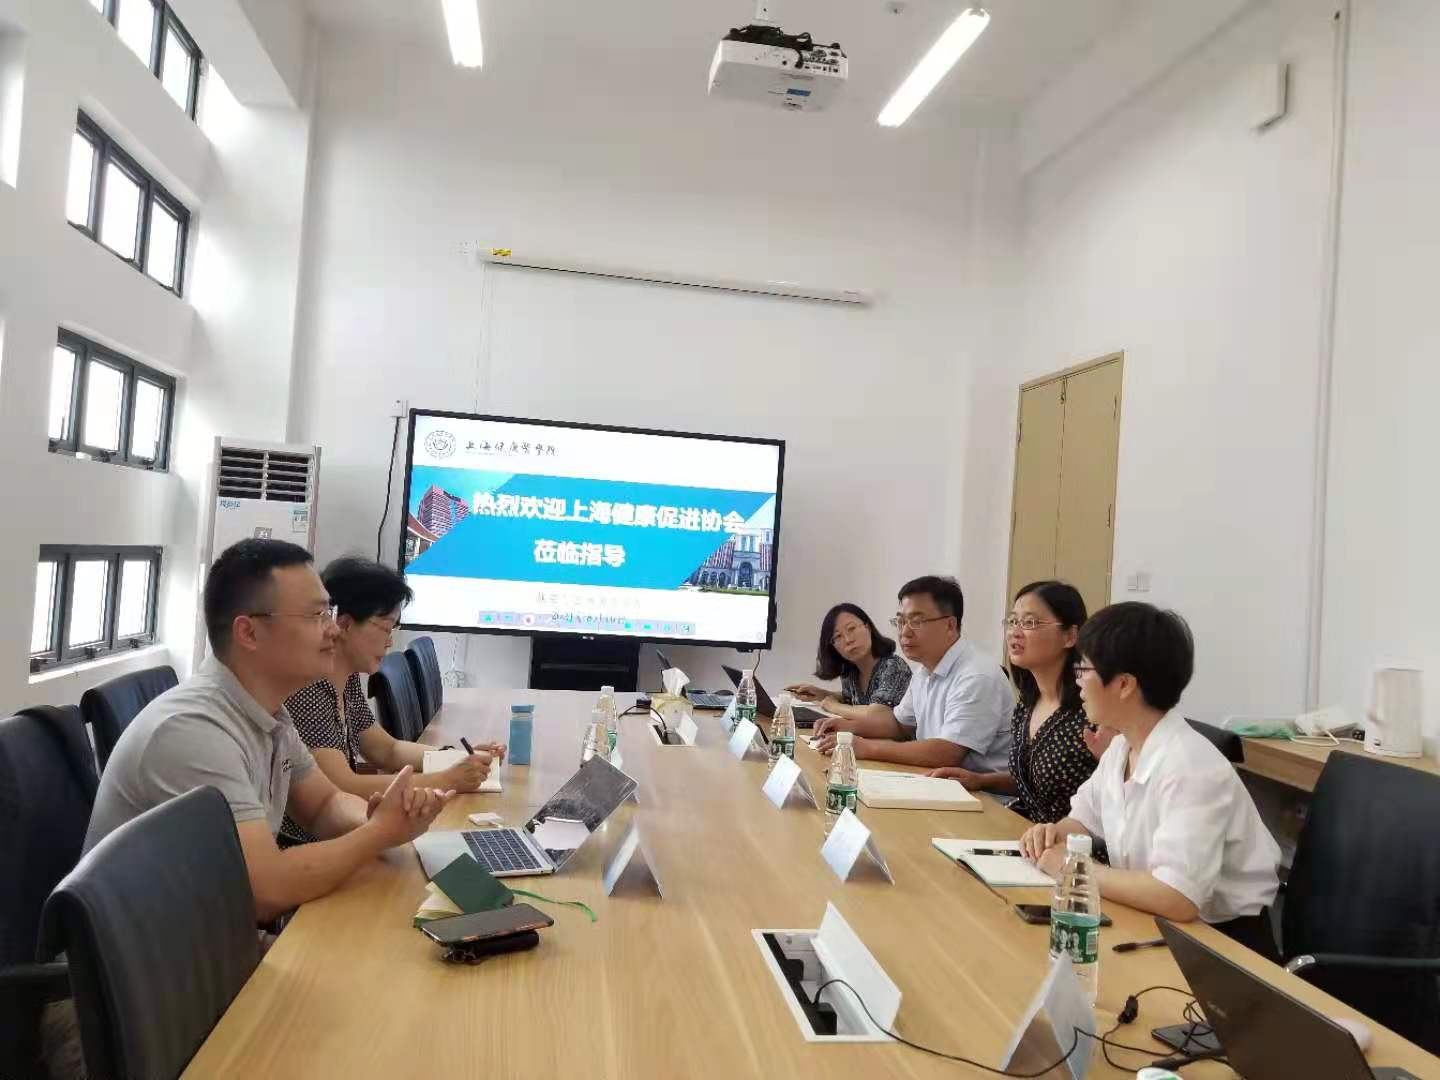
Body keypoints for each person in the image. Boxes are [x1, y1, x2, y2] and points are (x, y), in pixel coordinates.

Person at [84, 539, 455, 924]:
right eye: (316, 616)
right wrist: (378, 833)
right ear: (249, 633)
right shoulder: (193, 731)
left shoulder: (270, 713)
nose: (333, 630)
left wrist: (376, 819)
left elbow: (324, 804)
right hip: (167, 953)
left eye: (328, 613)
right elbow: (266, 890)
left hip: (212, 933)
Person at [1019, 602, 1281, 955]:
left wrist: (1072, 868)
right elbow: (1084, 818)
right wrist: (1051, 835)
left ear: (1124, 684)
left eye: (1084, 669)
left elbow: (1177, 896)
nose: (1077, 681)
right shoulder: (1122, 747)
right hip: (1153, 922)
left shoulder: (1190, 766)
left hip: (1224, 946)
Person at [280, 556, 503, 846]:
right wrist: (447, 780)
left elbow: (387, 749)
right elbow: (342, 785)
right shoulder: (308, 689)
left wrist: (459, 760)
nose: (389, 642)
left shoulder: (346, 679)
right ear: (344, 624)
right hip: (308, 845)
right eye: (385, 628)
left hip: (343, 834)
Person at [927, 581, 1107, 822]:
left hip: (1071, 839)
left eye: (1030, 623)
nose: (1015, 632)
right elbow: (1034, 781)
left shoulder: (1092, 710)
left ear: (1070, 636)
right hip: (1024, 829)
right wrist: (980, 780)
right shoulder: (1027, 703)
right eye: (1012, 621)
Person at [814, 576, 1013, 770]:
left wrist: (867, 747)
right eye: (901, 621)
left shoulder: (977, 675)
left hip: (979, 789)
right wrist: (845, 727)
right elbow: (899, 725)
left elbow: (948, 753)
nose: (904, 632)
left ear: (950, 625)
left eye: (916, 621)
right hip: (937, 779)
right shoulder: (923, 672)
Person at [785, 602, 911, 723]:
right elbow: (855, 701)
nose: (848, 640)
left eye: (851, 629)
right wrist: (822, 695)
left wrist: (833, 706)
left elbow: (878, 715)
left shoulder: (894, 667)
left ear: (868, 627)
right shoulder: (850, 670)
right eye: (838, 636)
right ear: (833, 647)